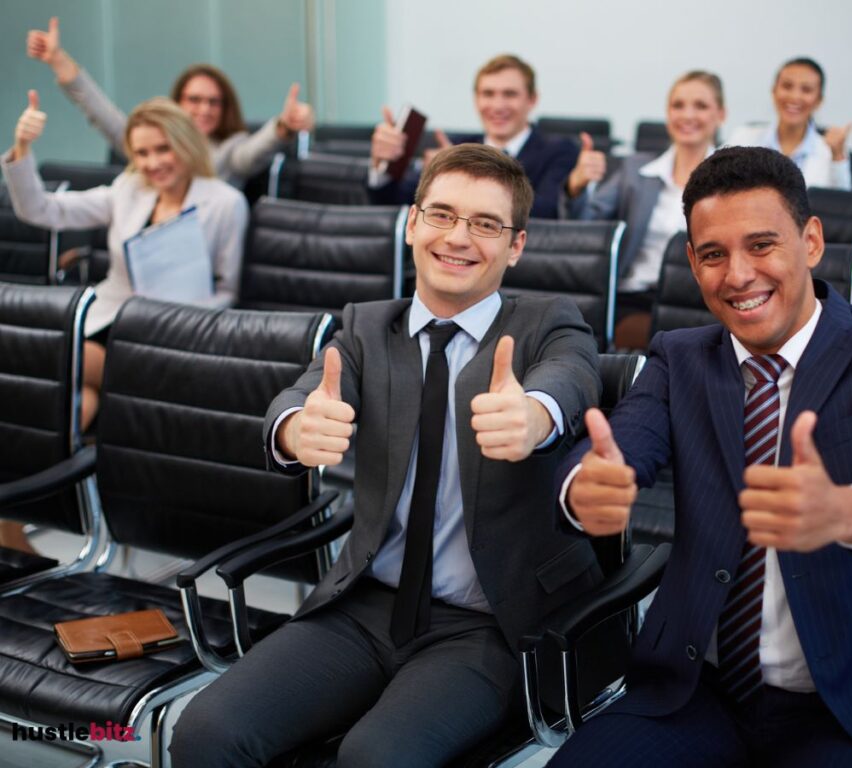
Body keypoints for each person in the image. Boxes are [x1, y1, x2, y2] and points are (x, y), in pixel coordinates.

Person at [169, 144, 602, 767]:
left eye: (485, 224)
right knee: (206, 729)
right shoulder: (368, 327)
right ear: (411, 223)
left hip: (489, 623)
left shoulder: (548, 322)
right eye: (442, 214)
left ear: (516, 246)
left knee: (376, 759)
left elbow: (572, 378)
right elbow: (303, 394)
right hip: (364, 605)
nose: (459, 237)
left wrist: (535, 415)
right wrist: (296, 428)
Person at [549, 146, 852, 767]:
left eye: (761, 245)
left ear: (811, 241)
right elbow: (622, 444)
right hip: (697, 692)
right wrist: (586, 484)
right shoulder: (680, 357)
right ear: (693, 263)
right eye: (714, 255)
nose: (739, 275)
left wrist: (848, 512)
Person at [1, 93, 248, 430]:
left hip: (167, 333)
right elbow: (41, 210)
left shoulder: (225, 202)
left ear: (186, 144)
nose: (152, 163)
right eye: (142, 153)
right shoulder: (128, 188)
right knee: (77, 395)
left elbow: (227, 290)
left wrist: (180, 315)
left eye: (163, 149)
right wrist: (23, 149)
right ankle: (53, 472)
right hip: (107, 318)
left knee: (43, 357)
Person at [26, 16, 314, 188]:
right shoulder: (153, 146)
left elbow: (252, 153)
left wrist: (283, 126)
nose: (204, 109)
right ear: (177, 103)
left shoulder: (229, 149)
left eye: (214, 102)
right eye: (195, 100)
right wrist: (58, 60)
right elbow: (103, 114)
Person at [563, 70, 726, 348]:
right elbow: (584, 228)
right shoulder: (635, 170)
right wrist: (576, 186)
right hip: (635, 298)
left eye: (700, 106)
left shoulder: (731, 175)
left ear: (720, 114)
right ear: (667, 113)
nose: (687, 115)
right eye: (678, 105)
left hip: (702, 302)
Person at [367, 54, 576, 219]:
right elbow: (395, 204)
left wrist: (459, 174)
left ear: (532, 100)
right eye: (488, 94)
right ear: (476, 99)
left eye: (510, 94)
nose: (497, 106)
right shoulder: (455, 145)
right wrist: (383, 165)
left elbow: (546, 212)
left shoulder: (559, 150)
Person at [727, 57, 852, 190]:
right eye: (787, 86)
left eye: (806, 90)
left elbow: (841, 206)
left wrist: (837, 156)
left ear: (819, 100)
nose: (794, 96)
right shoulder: (742, 138)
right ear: (774, 92)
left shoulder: (830, 152)